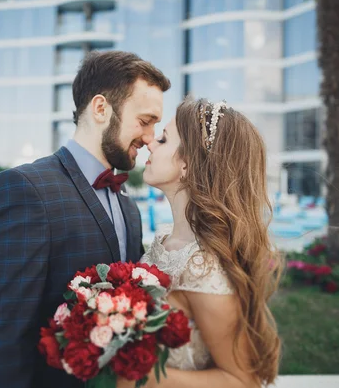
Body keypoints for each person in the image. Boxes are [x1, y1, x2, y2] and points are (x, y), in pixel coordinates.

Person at [0, 50, 171, 388]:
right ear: (101, 108)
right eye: (145, 120)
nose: (150, 137)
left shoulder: (128, 205)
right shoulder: (24, 189)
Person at [120, 97, 282, 388]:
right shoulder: (164, 242)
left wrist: (140, 380)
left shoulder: (203, 268)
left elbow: (243, 381)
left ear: (188, 164)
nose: (150, 144)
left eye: (165, 139)